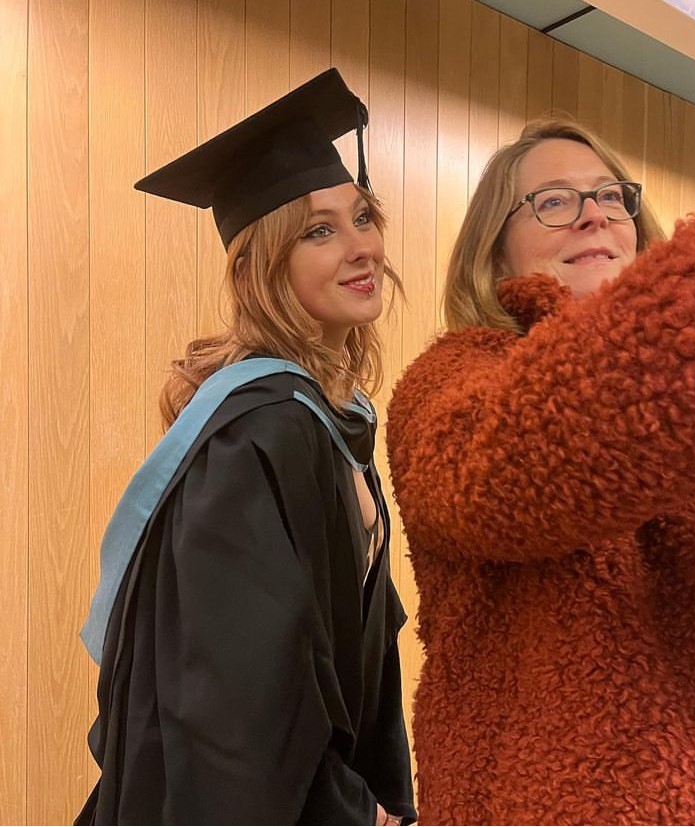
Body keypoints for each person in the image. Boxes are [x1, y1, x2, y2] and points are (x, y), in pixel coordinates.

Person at [387, 32, 695, 827]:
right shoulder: (452, 383)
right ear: (495, 256)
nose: (593, 212)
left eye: (611, 196)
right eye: (553, 202)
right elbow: (532, 457)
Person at [77, 70, 415, 826]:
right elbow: (238, 700)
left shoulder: (333, 416)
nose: (361, 247)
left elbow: (351, 643)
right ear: (260, 265)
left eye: (362, 217)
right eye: (319, 231)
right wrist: (353, 811)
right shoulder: (258, 432)